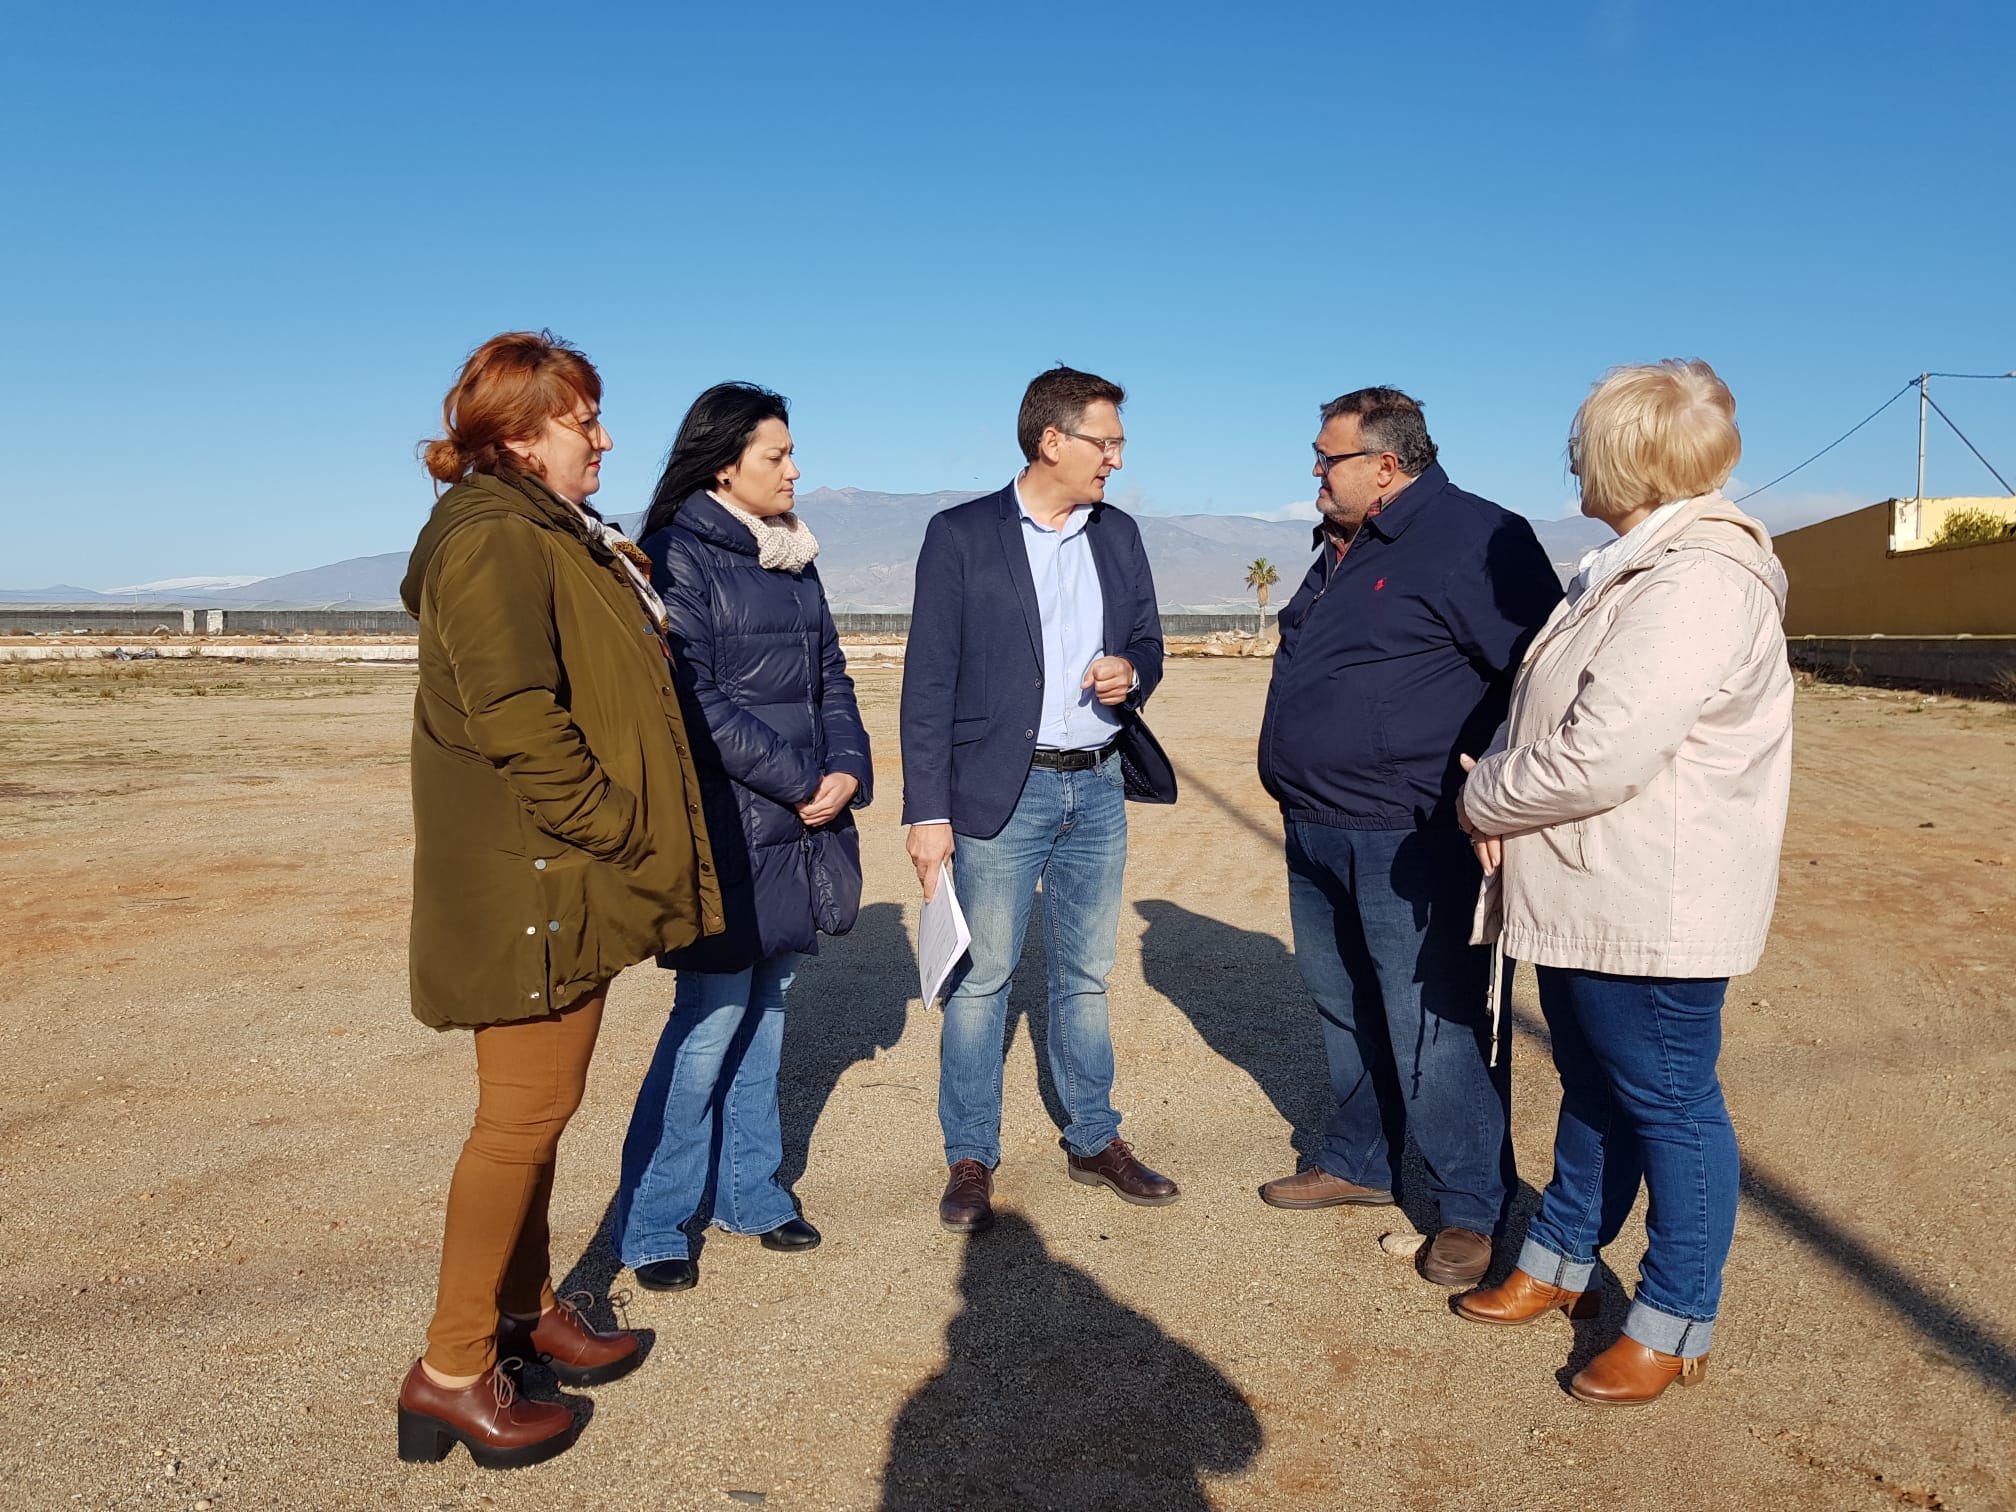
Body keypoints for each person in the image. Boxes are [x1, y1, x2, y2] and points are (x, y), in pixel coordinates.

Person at [395, 331, 724, 1470]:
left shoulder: (548, 532)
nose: (604, 437)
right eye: (583, 419)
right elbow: (515, 715)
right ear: (521, 436)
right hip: (532, 881)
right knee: (519, 1120)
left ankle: (526, 1311)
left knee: (544, 1111)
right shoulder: (493, 540)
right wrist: (617, 824)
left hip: (556, 881)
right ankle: (449, 1370)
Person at [1454, 360, 1792, 1407]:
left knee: (1672, 1107)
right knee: (1598, 1089)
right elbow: (1553, 713)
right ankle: (1560, 1264)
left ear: (1624, 457)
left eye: (1581, 445)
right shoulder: (1632, 567)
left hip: (1650, 897)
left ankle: (1675, 1316)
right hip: (1592, 890)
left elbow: (1603, 751)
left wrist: (1484, 799)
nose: (1570, 463)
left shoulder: (1696, 581)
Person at [1255, 387, 1563, 1288]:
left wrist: (1496, 798)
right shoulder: (1338, 547)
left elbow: (1533, 675)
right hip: (1316, 825)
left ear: (1386, 466)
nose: (1315, 471)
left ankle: (1472, 1204)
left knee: (1436, 1020)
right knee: (1342, 1002)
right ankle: (1359, 1160)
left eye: (1328, 458)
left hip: (1414, 830)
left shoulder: (1476, 537)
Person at [901, 365, 1173, 1233]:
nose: (1117, 461)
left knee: (1085, 977)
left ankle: (1094, 1136)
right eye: (1108, 442)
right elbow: (928, 681)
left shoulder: (1119, 534)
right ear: (1052, 441)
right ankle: (971, 1157)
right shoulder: (961, 535)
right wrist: (926, 811)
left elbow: (1148, 642)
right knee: (982, 984)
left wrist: (1136, 672)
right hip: (998, 796)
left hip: (1096, 785)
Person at [614, 383, 873, 1291]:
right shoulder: (674, 556)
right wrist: (802, 780)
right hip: (729, 831)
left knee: (766, 1017)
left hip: (801, 830)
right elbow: (691, 700)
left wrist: (846, 768)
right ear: (726, 463)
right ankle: (650, 1222)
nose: (795, 470)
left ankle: (751, 1195)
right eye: (778, 455)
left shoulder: (793, 557)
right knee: (707, 1022)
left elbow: (832, 674)